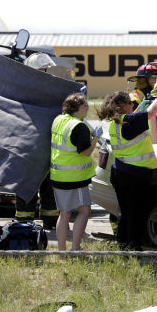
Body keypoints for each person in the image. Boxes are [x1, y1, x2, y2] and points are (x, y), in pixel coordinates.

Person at [97, 91, 157, 250]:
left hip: (120, 172)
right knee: (136, 213)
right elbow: (150, 113)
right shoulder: (128, 121)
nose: (132, 105)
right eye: (129, 103)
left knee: (125, 213)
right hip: (134, 176)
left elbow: (136, 117)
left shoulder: (117, 121)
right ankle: (134, 248)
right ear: (122, 106)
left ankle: (123, 245)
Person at [15, 53, 60, 229]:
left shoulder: (50, 90)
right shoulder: (21, 92)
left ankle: (50, 221)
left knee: (49, 186)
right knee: (27, 186)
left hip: (47, 146)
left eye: (46, 70)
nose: (46, 73)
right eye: (42, 70)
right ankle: (24, 224)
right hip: (28, 147)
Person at [50, 93, 99, 251]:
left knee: (64, 214)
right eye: (84, 105)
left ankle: (62, 251)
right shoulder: (79, 126)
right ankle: (76, 249)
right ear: (76, 108)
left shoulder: (59, 119)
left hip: (58, 175)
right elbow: (86, 152)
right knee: (84, 210)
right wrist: (96, 138)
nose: (87, 107)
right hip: (75, 178)